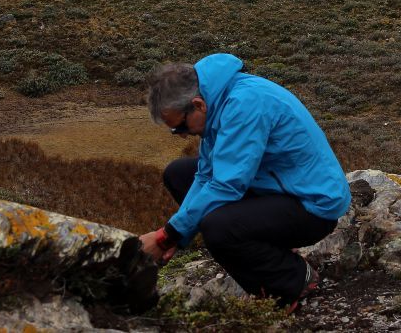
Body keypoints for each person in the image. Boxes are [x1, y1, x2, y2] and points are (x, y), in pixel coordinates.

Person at [138, 53, 351, 311]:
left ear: (198, 105)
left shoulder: (244, 104)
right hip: (274, 188)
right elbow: (206, 175)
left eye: (180, 127)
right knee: (179, 174)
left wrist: (164, 236)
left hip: (313, 205)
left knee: (218, 227)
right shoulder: (216, 101)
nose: (182, 136)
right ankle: (266, 254)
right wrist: (175, 236)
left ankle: (290, 282)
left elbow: (227, 185)